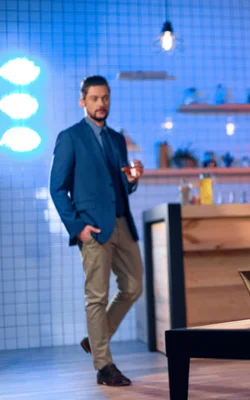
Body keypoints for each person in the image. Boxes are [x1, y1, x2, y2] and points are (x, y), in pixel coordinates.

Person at [49, 75, 144, 386]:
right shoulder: (70, 137)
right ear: (83, 102)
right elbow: (57, 188)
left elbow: (118, 187)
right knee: (97, 297)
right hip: (93, 228)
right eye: (94, 98)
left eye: (105, 98)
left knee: (133, 287)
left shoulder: (117, 139)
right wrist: (78, 228)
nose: (101, 103)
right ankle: (104, 367)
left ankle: (94, 339)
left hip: (121, 223)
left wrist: (132, 180)